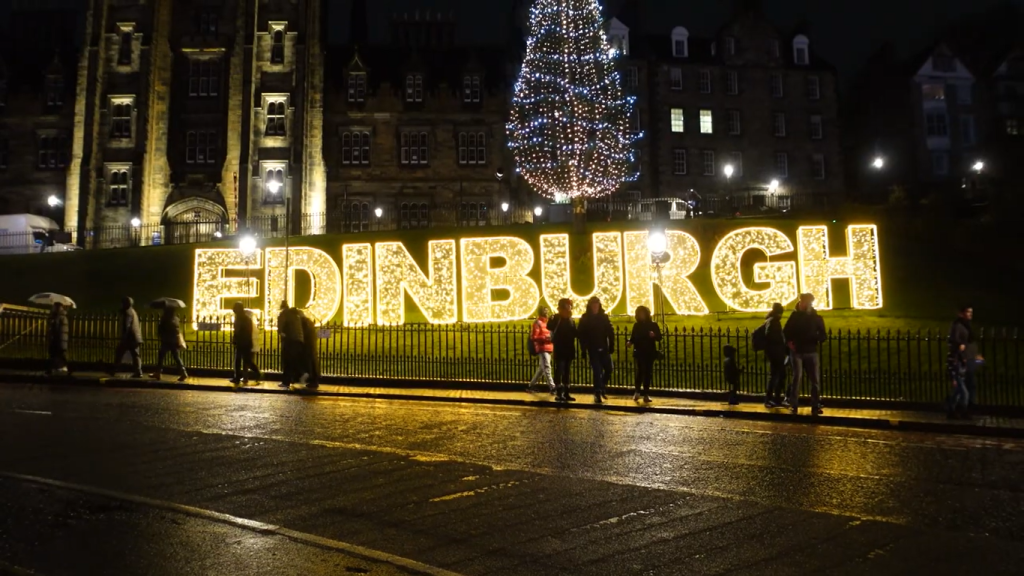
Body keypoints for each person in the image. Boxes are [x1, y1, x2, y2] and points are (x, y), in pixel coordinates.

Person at [783, 293, 826, 416]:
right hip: (797, 351)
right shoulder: (795, 316)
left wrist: (815, 338)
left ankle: (815, 404)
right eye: (802, 301)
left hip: (810, 351)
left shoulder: (816, 318)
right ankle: (794, 404)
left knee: (814, 380)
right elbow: (785, 332)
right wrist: (789, 343)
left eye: (804, 302)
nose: (802, 304)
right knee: (797, 378)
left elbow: (823, 335)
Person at [578, 296, 615, 404]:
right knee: (597, 371)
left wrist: (611, 344)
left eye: (597, 305)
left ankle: (601, 387)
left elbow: (610, 331)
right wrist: (583, 349)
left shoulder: (603, 317)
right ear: (590, 306)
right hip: (592, 348)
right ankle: (597, 392)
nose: (595, 307)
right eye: (593, 305)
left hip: (603, 347)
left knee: (609, 369)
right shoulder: (585, 318)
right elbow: (581, 335)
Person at [627, 305, 661, 403]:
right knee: (641, 371)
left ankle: (646, 393)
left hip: (649, 351)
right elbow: (633, 337)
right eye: (639, 314)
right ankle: (637, 391)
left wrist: (654, 335)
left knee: (648, 372)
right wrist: (630, 342)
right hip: (639, 351)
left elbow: (659, 337)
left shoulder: (653, 325)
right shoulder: (637, 325)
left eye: (643, 313)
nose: (641, 315)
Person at [546, 298, 578, 403]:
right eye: (568, 306)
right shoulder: (557, 318)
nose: (570, 308)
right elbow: (549, 326)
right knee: (560, 370)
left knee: (567, 371)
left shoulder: (570, 318)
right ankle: (559, 393)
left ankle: (566, 392)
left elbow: (574, 332)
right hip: (560, 348)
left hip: (569, 348)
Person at [947, 305, 974, 419]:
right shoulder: (958, 326)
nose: (970, 314)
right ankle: (963, 411)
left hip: (962, 361)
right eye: (968, 312)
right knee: (964, 392)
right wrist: (960, 346)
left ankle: (951, 410)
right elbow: (954, 340)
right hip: (957, 361)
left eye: (971, 312)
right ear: (961, 313)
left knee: (958, 391)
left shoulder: (966, 325)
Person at [763, 303, 788, 408]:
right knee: (777, 375)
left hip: (775, 352)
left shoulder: (771, 320)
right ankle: (771, 399)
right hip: (776, 353)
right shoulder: (774, 321)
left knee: (777, 375)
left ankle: (774, 398)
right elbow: (770, 336)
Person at [111, 296, 143, 378]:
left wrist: (123, 336)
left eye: (123, 303)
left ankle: (114, 370)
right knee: (135, 355)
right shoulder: (133, 311)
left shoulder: (127, 313)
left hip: (129, 337)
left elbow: (127, 325)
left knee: (119, 352)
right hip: (135, 337)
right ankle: (138, 372)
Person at [153, 307, 188, 382]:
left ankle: (158, 372)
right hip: (174, 340)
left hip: (167, 340)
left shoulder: (165, 319)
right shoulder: (176, 319)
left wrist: (160, 325)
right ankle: (183, 372)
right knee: (176, 357)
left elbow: (162, 329)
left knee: (161, 355)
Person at [231, 302, 261, 385]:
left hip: (245, 342)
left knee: (246, 360)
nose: (234, 310)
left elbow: (244, 331)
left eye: (235, 308)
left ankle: (257, 373)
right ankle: (237, 377)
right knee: (238, 360)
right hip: (242, 342)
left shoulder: (244, 319)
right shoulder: (241, 318)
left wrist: (236, 338)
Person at [276, 301, 305, 388]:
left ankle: (286, 382)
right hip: (299, 340)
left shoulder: (283, 314)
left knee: (287, 362)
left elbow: (280, 328)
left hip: (290, 340)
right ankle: (299, 376)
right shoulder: (295, 315)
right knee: (294, 361)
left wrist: (281, 333)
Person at [527, 307, 556, 394]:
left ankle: (531, 385)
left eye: (547, 311)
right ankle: (552, 387)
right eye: (545, 311)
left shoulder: (547, 323)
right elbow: (534, 337)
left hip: (549, 347)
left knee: (541, 369)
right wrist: (545, 338)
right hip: (542, 347)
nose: (547, 313)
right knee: (547, 367)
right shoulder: (538, 323)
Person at [45, 302, 69, 376]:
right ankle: (57, 368)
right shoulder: (60, 316)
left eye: (54, 307)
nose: (53, 308)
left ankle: (59, 368)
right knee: (57, 354)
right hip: (59, 340)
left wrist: (51, 321)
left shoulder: (59, 317)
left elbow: (56, 329)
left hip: (58, 340)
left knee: (57, 354)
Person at [300, 311, 320, 390]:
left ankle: (313, 381)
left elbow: (304, 334)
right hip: (312, 345)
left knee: (310, 364)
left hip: (308, 346)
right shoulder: (309, 322)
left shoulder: (304, 323)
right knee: (312, 363)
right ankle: (314, 380)